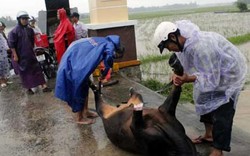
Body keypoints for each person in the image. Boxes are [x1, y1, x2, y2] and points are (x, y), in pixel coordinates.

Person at [153, 20, 247, 156]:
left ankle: (218, 149)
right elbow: (180, 59)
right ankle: (209, 134)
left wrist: (188, 79)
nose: (169, 50)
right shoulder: (183, 43)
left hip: (228, 74)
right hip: (213, 71)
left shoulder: (202, 47)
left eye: (168, 47)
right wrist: (176, 74)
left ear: (173, 37)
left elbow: (212, 79)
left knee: (223, 109)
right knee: (203, 97)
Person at [55, 35, 124, 125]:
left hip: (75, 54)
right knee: (79, 88)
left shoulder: (103, 40)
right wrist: (104, 75)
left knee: (85, 86)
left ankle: (86, 111)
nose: (116, 57)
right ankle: (79, 118)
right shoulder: (110, 46)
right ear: (117, 50)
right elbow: (109, 59)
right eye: (117, 56)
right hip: (75, 62)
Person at [8, 11, 52, 94]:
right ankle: (28, 89)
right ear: (19, 19)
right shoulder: (14, 31)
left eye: (26, 19)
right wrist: (15, 55)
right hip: (21, 56)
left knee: (37, 70)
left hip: (30, 54)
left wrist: (33, 51)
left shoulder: (29, 30)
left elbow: (32, 42)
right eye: (23, 19)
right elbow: (12, 44)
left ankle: (44, 86)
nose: (25, 20)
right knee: (25, 72)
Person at [0, 21, 10, 88]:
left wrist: (8, 49)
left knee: (5, 67)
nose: (2, 28)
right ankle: (2, 82)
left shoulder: (1, 34)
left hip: (4, 53)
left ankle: (5, 80)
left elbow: (5, 43)